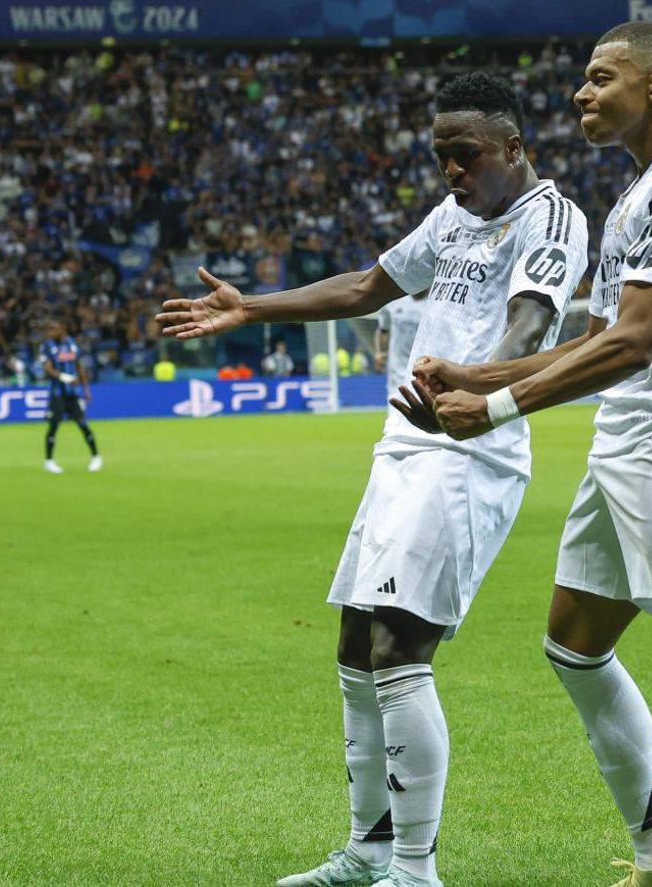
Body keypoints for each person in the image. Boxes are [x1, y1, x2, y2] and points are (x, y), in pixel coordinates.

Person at [156, 72, 588, 887]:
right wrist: (252, 308)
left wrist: (473, 387)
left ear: (513, 147)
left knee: (399, 649)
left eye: (465, 156)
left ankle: (416, 871)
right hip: (404, 442)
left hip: (468, 449)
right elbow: (366, 286)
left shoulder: (554, 219)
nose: (452, 172)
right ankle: (370, 849)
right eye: (440, 157)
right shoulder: (450, 218)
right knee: (357, 647)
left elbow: (532, 320)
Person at [415, 23, 652, 887]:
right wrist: (479, 371)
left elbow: (633, 345)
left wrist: (498, 405)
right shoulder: (635, 197)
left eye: (600, 78)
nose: (581, 94)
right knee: (574, 645)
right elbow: (592, 343)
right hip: (628, 441)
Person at [41, 321, 101, 474]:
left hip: (72, 394)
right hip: (57, 394)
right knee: (54, 426)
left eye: (54, 329)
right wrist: (65, 377)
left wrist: (86, 389)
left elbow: (79, 366)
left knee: (82, 423)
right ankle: (49, 461)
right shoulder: (47, 346)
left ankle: (96, 457)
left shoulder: (72, 344)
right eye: (49, 330)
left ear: (62, 329)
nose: (51, 332)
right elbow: (47, 368)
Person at [375, 291, 427, 400]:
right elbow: (383, 329)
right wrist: (379, 352)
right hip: (396, 372)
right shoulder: (393, 301)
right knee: (395, 413)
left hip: (424, 373)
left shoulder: (435, 304)